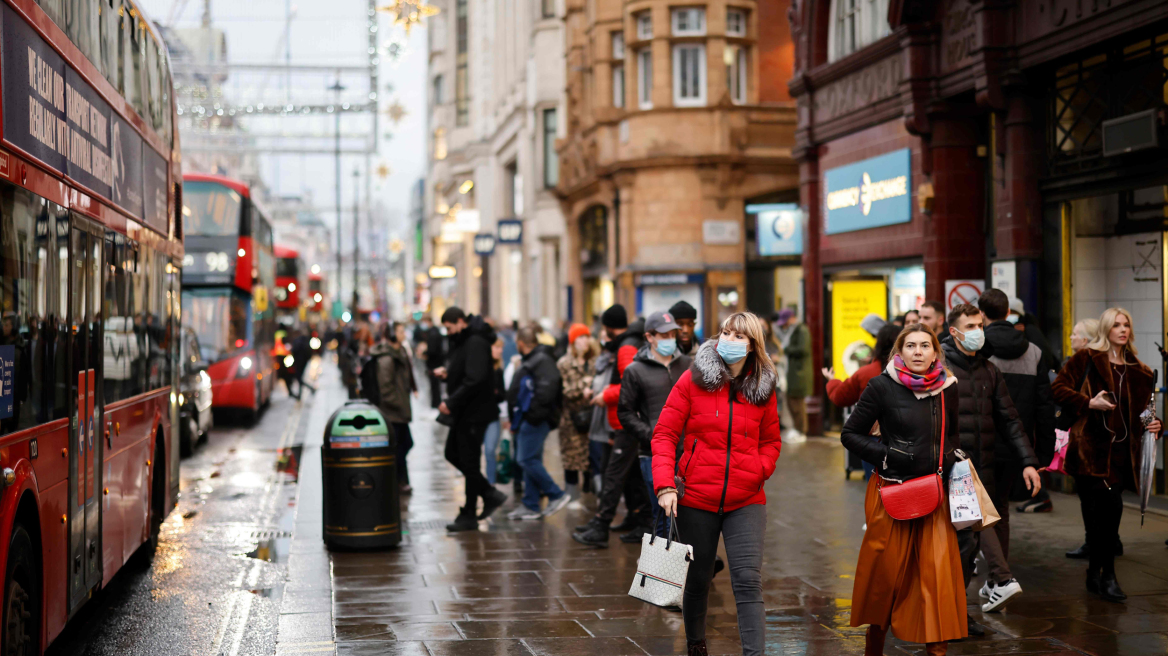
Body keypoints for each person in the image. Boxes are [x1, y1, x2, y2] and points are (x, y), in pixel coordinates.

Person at [653, 312, 782, 656]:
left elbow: (772, 441)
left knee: (747, 580)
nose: (729, 339)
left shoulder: (763, 387)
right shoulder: (692, 380)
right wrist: (665, 484)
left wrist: (759, 469)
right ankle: (696, 644)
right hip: (695, 497)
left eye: (739, 336)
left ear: (753, 345)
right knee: (698, 578)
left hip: (747, 499)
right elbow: (665, 433)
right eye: (725, 332)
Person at [841, 323, 966, 655]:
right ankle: (874, 647)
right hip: (892, 492)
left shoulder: (948, 386)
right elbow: (850, 434)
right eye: (911, 346)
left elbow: (953, 434)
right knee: (885, 576)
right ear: (899, 352)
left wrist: (952, 459)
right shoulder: (881, 386)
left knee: (936, 576)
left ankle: (936, 650)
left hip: (934, 494)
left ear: (935, 352)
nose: (918, 352)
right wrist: (887, 455)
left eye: (925, 346)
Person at [941, 304, 1042, 624]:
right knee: (961, 542)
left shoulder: (989, 370)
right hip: (951, 468)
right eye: (971, 326)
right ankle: (993, 584)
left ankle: (965, 605)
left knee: (970, 544)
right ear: (954, 332)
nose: (978, 332)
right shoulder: (939, 367)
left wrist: (1028, 461)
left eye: (980, 325)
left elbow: (1010, 419)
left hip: (982, 467)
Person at [1052, 307, 1161, 603]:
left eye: (1126, 324)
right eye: (1116, 325)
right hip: (1090, 451)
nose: (1122, 330)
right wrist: (1088, 403)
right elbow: (1058, 389)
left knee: (1111, 516)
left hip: (1123, 455)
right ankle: (1107, 576)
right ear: (1105, 329)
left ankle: (1097, 573)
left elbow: (1143, 415)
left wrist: (1156, 425)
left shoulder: (1139, 370)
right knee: (1099, 516)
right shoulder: (1086, 358)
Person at [979, 287, 1057, 532]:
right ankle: (1000, 565)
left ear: (981, 314)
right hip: (1018, 443)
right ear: (1009, 313)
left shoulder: (977, 351)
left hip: (981, 441)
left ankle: (985, 563)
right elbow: (1045, 405)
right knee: (1001, 506)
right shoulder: (1034, 352)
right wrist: (1042, 453)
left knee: (980, 505)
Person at [574, 305, 651, 547]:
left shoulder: (626, 346)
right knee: (631, 476)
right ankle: (639, 520)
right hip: (627, 421)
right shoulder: (629, 342)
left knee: (614, 474)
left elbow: (630, 385)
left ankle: (601, 525)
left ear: (608, 326)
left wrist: (604, 395)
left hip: (626, 422)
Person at [618, 311, 693, 541]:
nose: (670, 338)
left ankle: (693, 568)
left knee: (689, 516)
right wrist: (650, 434)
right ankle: (662, 572)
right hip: (652, 454)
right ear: (649, 337)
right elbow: (625, 412)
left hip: (688, 453)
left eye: (672, 333)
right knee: (663, 514)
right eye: (663, 334)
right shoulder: (635, 370)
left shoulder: (689, 365)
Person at [438, 307, 509, 531]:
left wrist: (450, 402)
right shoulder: (466, 340)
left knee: (466, 460)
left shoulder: (475, 341)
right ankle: (485, 496)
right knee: (457, 455)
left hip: (474, 412)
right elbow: (468, 371)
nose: (448, 332)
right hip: (466, 411)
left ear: (460, 322)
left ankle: (474, 508)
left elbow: (476, 378)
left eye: (449, 327)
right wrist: (449, 375)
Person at [1061, 319, 1121, 561]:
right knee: (1097, 496)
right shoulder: (1081, 362)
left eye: (1075, 334)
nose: (1071, 338)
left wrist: (1153, 421)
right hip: (1092, 441)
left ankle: (1101, 544)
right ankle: (1103, 544)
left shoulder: (1127, 366)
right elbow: (1058, 390)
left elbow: (1139, 404)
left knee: (1103, 496)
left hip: (1104, 441)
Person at [505, 327, 571, 520]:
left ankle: (556, 494)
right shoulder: (534, 359)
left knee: (525, 459)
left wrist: (533, 415)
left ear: (521, 343)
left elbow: (546, 392)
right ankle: (530, 504)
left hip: (536, 419)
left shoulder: (542, 360)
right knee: (531, 459)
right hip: (531, 418)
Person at [824, 323, 902, 481]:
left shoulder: (866, 372)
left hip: (874, 440)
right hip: (904, 440)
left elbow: (840, 396)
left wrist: (832, 381)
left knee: (874, 488)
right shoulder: (912, 373)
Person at [369, 322, 417, 493]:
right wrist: (399, 404)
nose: (404, 334)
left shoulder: (401, 351)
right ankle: (398, 481)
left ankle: (400, 481)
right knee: (400, 446)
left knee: (405, 444)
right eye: (401, 331)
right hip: (392, 412)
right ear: (392, 334)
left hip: (400, 410)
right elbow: (386, 389)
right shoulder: (387, 358)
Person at [557, 324, 597, 501]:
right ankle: (571, 497)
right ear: (573, 341)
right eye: (580, 337)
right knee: (571, 460)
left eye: (586, 336)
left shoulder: (594, 361)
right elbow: (563, 391)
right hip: (571, 421)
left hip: (592, 417)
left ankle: (590, 496)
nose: (584, 341)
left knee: (591, 457)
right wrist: (583, 387)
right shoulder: (564, 363)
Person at [775, 308, 811, 442]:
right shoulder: (795, 330)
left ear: (791, 318)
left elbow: (803, 349)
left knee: (798, 403)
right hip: (793, 372)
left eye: (785, 322)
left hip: (799, 373)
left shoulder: (801, 330)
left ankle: (801, 431)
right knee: (792, 401)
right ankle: (797, 429)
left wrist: (785, 349)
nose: (784, 325)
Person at [482, 338, 508, 486]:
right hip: (478, 416)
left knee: (490, 450)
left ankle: (490, 484)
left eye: (501, 348)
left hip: (493, 415)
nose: (500, 351)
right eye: (497, 348)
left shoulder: (499, 370)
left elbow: (502, 394)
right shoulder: (481, 368)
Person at [290, 329, 317, 397]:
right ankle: (301, 393)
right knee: (299, 378)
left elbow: (294, 350)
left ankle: (309, 389)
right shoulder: (304, 340)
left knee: (299, 378)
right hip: (303, 362)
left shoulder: (297, 341)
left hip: (299, 362)